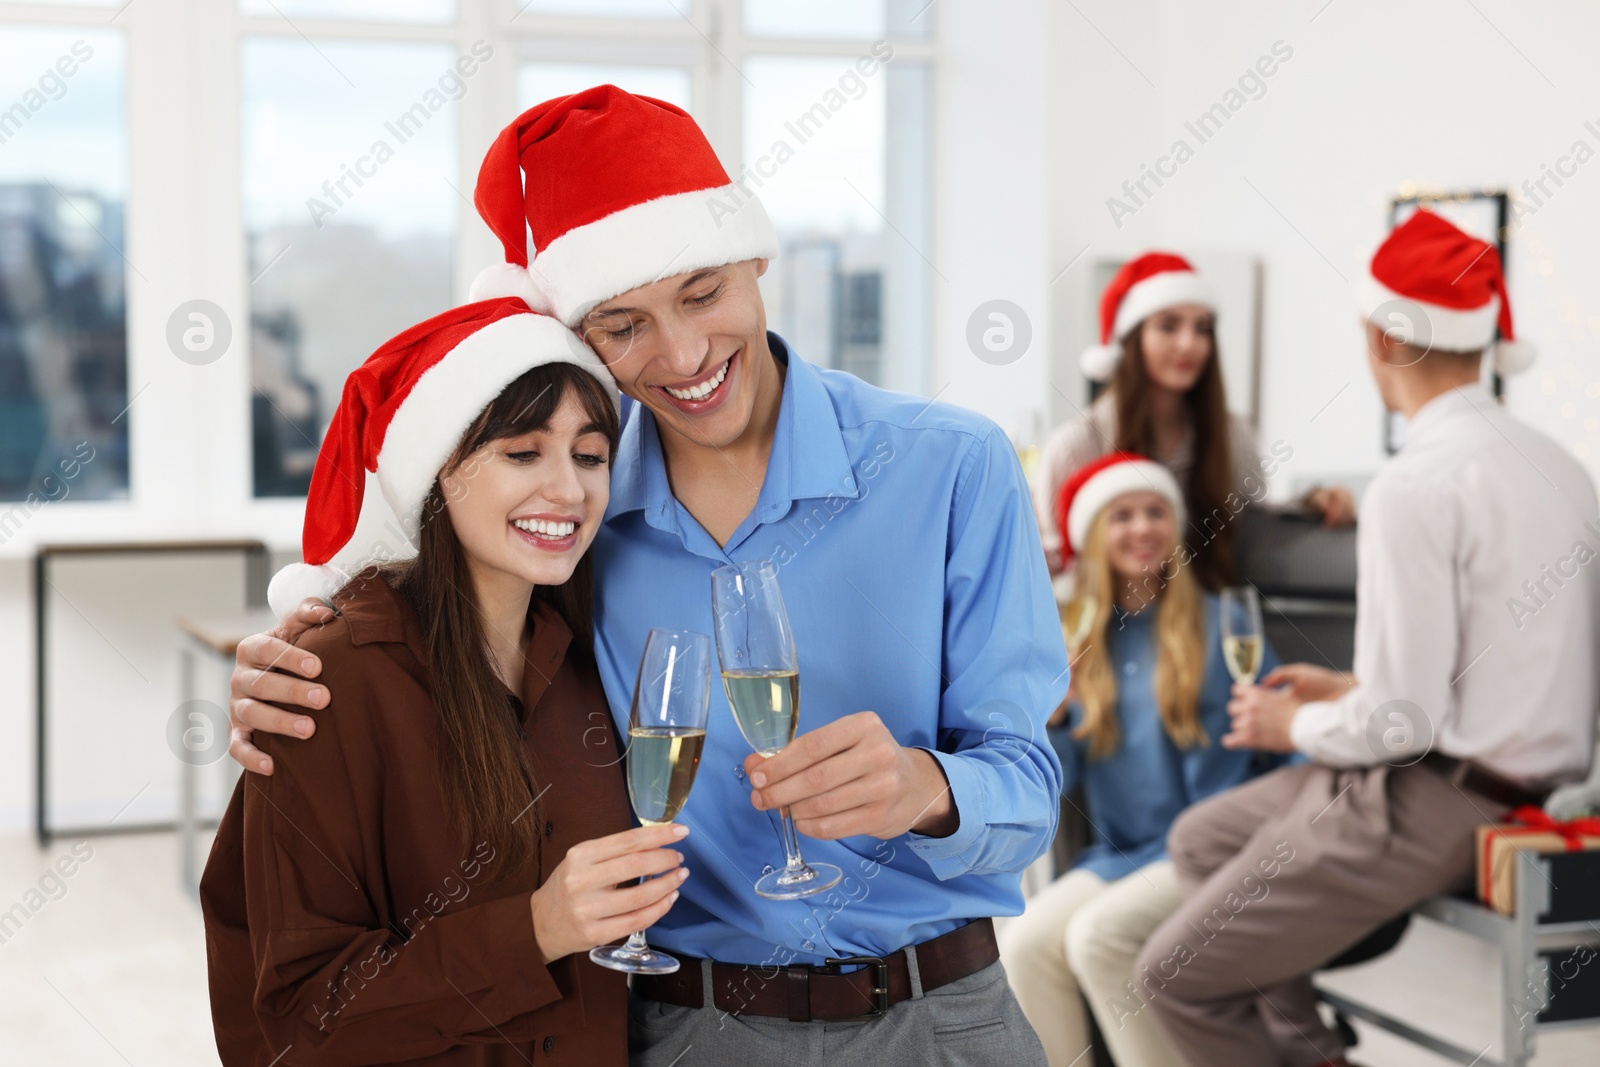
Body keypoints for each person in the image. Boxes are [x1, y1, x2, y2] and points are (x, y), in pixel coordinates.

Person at [224, 86, 1068, 1066]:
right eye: (622, 325)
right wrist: (290, 661)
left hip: (941, 1018)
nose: (681, 353)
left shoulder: (952, 467)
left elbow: (1030, 786)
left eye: (703, 292)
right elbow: (421, 627)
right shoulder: (562, 523)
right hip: (683, 1027)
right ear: (581, 339)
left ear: (756, 260)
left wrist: (928, 786)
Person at [1133, 209, 1599, 1066]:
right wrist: (1344, 690)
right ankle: (1312, 1046)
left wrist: (1292, 726)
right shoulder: (1565, 470)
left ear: (1384, 337)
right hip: (1494, 776)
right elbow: (1488, 673)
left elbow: (1405, 725)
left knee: (1172, 975)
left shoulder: (1415, 484)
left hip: (1433, 798)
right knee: (1200, 837)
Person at [199, 299, 685, 1065]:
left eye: (590, 456)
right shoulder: (323, 681)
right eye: (522, 453)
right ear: (439, 472)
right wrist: (536, 930)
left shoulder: (595, 654)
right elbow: (297, 1019)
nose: (567, 490)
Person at [999, 452, 1288, 1067]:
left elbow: (1286, 741)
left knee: (1096, 938)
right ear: (1093, 536)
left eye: (1155, 511)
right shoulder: (1082, 642)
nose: (1142, 528)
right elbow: (1058, 787)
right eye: (1121, 515)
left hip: (1208, 850)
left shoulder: (1221, 624)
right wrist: (1053, 722)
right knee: (1024, 943)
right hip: (1121, 856)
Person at [1032, 252, 1354, 591]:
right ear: (1132, 339)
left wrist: (1316, 503)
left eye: (1202, 329)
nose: (1189, 344)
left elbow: (1250, 527)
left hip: (1197, 626)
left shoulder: (1233, 436)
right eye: (1169, 326)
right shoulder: (1077, 444)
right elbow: (1049, 573)